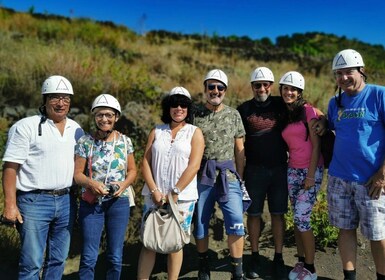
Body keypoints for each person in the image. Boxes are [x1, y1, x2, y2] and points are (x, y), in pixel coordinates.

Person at [1, 75, 84, 279]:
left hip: (66, 201)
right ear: (45, 99)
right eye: (55, 97)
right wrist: (10, 205)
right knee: (32, 262)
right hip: (34, 202)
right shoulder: (25, 127)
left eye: (66, 98)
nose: (61, 103)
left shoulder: (77, 130)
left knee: (57, 260)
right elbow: (10, 167)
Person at [325, 49, 385, 280]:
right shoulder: (335, 102)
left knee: (377, 234)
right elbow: (331, 124)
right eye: (338, 74)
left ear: (361, 71)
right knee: (345, 229)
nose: (343, 78)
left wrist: (382, 174)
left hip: (371, 180)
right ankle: (349, 276)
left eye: (348, 72)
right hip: (339, 178)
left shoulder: (378, 95)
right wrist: (321, 122)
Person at [137, 86, 205, 280]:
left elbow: (194, 166)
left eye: (183, 104)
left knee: (175, 243)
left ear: (188, 108)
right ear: (168, 107)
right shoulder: (157, 131)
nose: (178, 108)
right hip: (154, 196)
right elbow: (145, 162)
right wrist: (154, 190)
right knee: (149, 241)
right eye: (174, 104)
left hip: (182, 198)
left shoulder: (195, 132)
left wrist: (174, 193)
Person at [74, 94, 137, 279]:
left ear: (116, 117)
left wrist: (123, 184)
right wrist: (90, 183)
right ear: (94, 117)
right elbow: (77, 174)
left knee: (115, 256)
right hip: (92, 203)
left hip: (118, 202)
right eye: (100, 115)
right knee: (88, 256)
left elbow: (132, 171)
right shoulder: (85, 142)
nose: (104, 119)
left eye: (109, 115)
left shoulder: (125, 142)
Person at [193, 69, 247, 280]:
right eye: (211, 87)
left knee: (235, 222)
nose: (215, 91)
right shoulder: (195, 114)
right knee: (201, 222)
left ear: (225, 90)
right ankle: (203, 264)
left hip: (228, 176)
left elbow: (239, 149)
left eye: (220, 87)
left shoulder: (234, 114)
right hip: (202, 176)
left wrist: (240, 176)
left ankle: (237, 271)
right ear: (205, 89)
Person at [237, 67, 288, 280]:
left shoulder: (280, 104)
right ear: (252, 87)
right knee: (254, 214)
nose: (262, 88)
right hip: (254, 171)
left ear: (271, 86)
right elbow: (237, 140)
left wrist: (321, 120)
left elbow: (306, 109)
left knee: (278, 214)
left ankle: (278, 258)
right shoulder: (244, 109)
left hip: (279, 170)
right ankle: (255, 256)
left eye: (266, 84)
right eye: (257, 85)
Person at [279, 71, 323, 280]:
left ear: (300, 92)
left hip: (310, 171)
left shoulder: (309, 112)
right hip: (292, 169)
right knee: (296, 219)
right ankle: (300, 261)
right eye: (286, 88)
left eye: (293, 89)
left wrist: (311, 176)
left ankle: (311, 267)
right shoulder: (285, 113)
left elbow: (316, 147)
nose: (289, 92)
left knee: (302, 218)